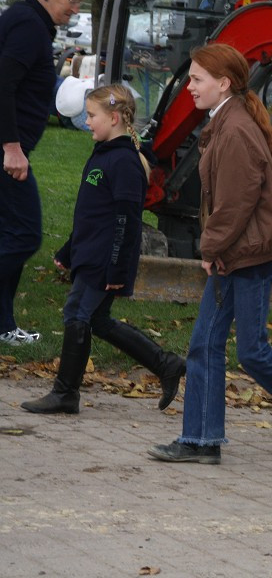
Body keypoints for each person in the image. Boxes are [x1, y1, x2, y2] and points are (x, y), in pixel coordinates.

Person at [148, 43, 272, 470]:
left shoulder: (235, 129)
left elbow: (236, 203)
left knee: (252, 352)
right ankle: (201, 440)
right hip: (238, 254)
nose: (189, 87)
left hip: (247, 256)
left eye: (197, 79)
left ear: (223, 84)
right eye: (190, 79)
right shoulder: (231, 119)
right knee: (204, 345)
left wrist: (210, 248)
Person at [21, 85, 186, 414]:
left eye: (92, 116)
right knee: (97, 319)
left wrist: (115, 268)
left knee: (77, 313)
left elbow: (126, 221)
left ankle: (66, 393)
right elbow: (92, 214)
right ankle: (166, 364)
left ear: (113, 118)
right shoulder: (104, 155)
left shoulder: (124, 162)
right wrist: (69, 249)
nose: (86, 121)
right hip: (91, 252)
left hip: (103, 258)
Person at [0, 0, 91, 346]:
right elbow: (3, 83)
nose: (75, 9)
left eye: (80, 3)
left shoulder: (31, 23)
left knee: (10, 234)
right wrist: (11, 146)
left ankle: (4, 325)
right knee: (24, 234)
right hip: (6, 151)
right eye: (72, 0)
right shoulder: (29, 25)